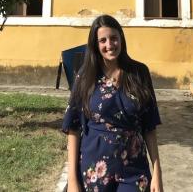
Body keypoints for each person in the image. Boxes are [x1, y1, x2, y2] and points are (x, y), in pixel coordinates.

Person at [62, 15, 163, 192]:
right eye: (103, 40)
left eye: (114, 38)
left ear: (121, 38)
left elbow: (149, 126)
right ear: (95, 45)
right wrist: (72, 180)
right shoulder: (85, 77)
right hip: (94, 169)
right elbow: (73, 128)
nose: (109, 45)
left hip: (134, 170)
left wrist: (157, 173)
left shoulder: (139, 73)